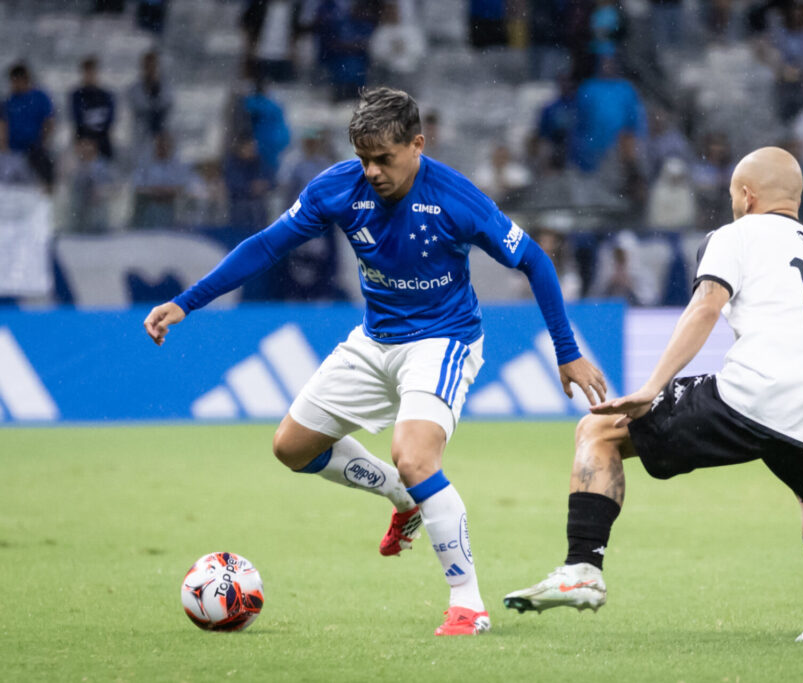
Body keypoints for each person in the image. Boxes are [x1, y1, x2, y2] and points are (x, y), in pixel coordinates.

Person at [143, 87, 607, 636]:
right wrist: (186, 301)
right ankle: (398, 493)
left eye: (384, 159)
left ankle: (467, 603)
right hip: (374, 340)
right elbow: (267, 245)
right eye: (364, 158)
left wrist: (568, 349)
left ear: (417, 144)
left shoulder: (456, 198)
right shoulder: (338, 188)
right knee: (291, 448)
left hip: (443, 340)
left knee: (416, 455)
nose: (372, 171)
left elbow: (534, 259)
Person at [504, 146, 803, 644]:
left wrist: (652, 388)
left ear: (746, 194)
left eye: (732, 196)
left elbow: (705, 306)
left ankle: (582, 569)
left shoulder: (735, 235)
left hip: (760, 394)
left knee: (598, 430)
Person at [70, 56, 116, 159]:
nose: (90, 76)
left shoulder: (106, 96)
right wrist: (86, 141)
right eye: (87, 72)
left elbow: (110, 120)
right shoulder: (77, 95)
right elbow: (77, 120)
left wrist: (97, 140)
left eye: (92, 72)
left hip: (103, 142)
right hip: (82, 142)